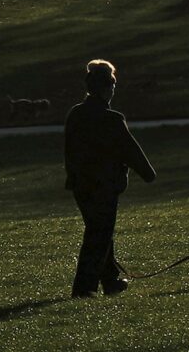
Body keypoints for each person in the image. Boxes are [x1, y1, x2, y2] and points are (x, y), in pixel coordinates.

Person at [63, 58, 158, 298]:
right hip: (105, 186)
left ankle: (111, 280)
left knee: (99, 230)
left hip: (81, 186)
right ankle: (84, 288)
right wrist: (148, 175)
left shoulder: (75, 114)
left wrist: (73, 176)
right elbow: (131, 151)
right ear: (108, 87)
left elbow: (69, 150)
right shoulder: (112, 119)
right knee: (99, 234)